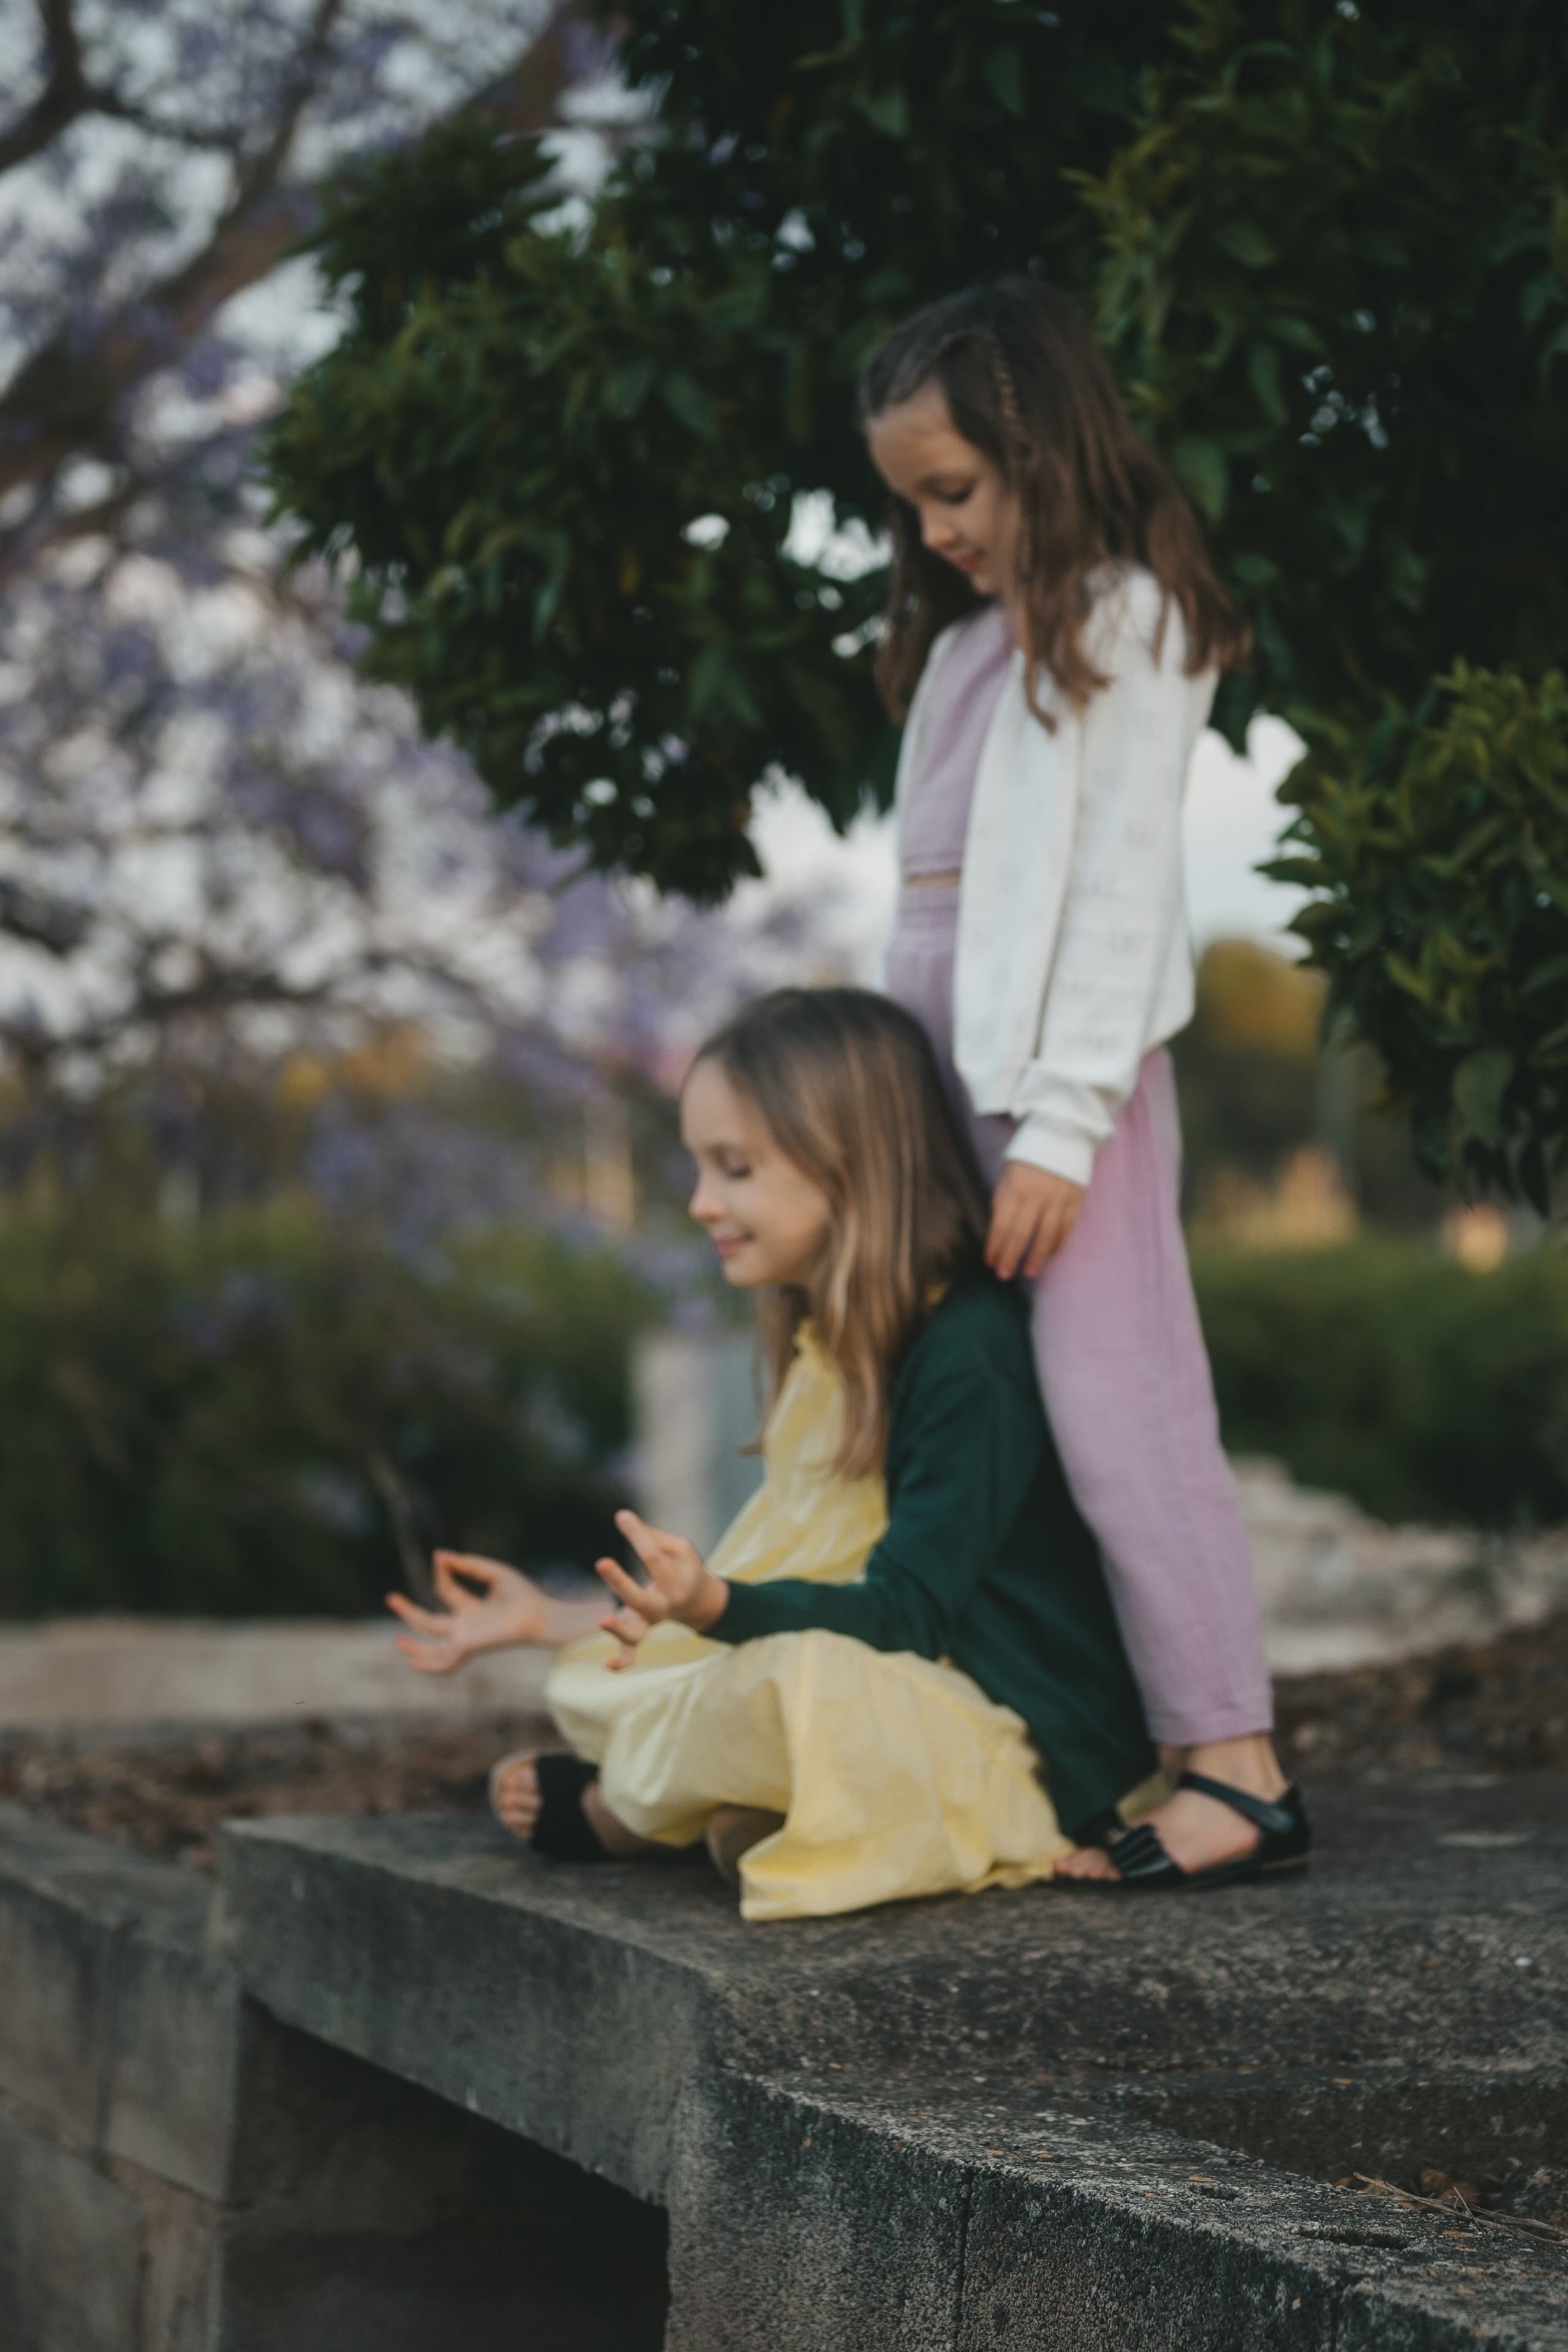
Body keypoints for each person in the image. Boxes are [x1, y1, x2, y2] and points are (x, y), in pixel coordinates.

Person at [388, 987, 1201, 1923]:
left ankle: (638, 1816)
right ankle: (743, 1814)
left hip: (1024, 1744)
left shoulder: (968, 1352)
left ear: (849, 1166)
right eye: (700, 1167)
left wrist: (713, 1608)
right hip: (917, 1679)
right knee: (620, 1672)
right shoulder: (833, 1344)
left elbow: (902, 1615)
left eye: (734, 1169)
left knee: (797, 1690)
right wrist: (554, 1620)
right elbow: (782, 1571)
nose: (702, 1202)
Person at [859, 279, 1308, 1887]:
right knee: (980, 1400)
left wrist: (1060, 1125)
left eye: (955, 492)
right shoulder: (976, 643)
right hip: (944, 1085)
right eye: (911, 504)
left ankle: (1238, 1764)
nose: (932, 532)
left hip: (1065, 1094)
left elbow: (1118, 896)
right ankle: (1090, 1735)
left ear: (1043, 452)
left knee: (1121, 1402)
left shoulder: (1125, 616)